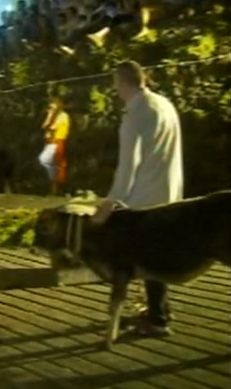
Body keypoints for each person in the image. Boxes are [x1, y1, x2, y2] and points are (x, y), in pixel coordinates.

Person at [93, 61, 184, 337]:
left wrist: (110, 203)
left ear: (122, 83)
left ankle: (157, 320)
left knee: (146, 254)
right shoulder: (163, 104)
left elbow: (128, 165)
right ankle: (160, 309)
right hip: (169, 190)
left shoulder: (135, 114)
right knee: (157, 251)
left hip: (145, 195)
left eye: (116, 85)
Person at [38, 98, 71, 195]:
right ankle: (53, 186)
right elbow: (44, 126)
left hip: (58, 140)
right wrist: (49, 115)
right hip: (50, 141)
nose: (51, 107)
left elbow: (53, 127)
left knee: (56, 162)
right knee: (49, 162)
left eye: (53, 104)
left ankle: (58, 187)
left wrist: (51, 118)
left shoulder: (63, 115)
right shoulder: (52, 115)